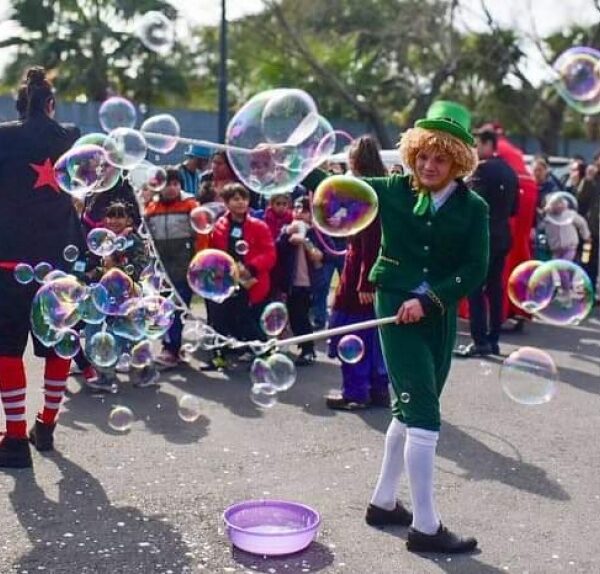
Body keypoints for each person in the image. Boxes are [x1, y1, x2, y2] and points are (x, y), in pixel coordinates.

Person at [306, 100, 488, 553]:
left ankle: (383, 501)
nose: (428, 165)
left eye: (440, 158)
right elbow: (333, 191)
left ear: (458, 161)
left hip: (437, 314)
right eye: (422, 155)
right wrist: (288, 164)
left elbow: (475, 267)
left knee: (407, 410)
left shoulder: (474, 207)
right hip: (394, 309)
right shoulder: (391, 188)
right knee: (425, 415)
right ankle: (426, 527)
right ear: (411, 154)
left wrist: (430, 298)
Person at [0, 67, 84, 467]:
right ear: (50, 105)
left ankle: (15, 440)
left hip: (8, 260)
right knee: (57, 346)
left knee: (6, 349)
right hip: (60, 260)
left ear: (18, 105)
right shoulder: (70, 136)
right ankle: (46, 424)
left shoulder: (3, 136)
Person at [325, 135, 390, 411]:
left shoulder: (364, 192)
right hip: (373, 273)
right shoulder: (383, 188)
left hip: (361, 276)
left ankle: (355, 392)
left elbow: (370, 241)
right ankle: (379, 391)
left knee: (353, 334)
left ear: (355, 161)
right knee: (374, 337)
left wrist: (366, 282)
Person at [455, 129, 519, 357]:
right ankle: (493, 340)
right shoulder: (511, 172)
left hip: (483, 238)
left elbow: (471, 204)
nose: (474, 150)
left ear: (488, 144)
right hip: (502, 237)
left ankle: (479, 340)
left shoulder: (482, 169)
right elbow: (514, 210)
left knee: (475, 289)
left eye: (476, 145)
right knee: (495, 289)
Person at [145, 168, 206, 368]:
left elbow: (201, 236)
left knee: (176, 309)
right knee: (163, 309)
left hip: (184, 266)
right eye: (167, 184)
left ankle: (170, 350)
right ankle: (171, 347)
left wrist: (199, 261)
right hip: (162, 269)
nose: (171, 188)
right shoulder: (151, 209)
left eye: (175, 184)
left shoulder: (190, 205)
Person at [208, 183, 276, 356]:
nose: (241, 203)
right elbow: (215, 252)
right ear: (226, 202)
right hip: (227, 280)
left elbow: (269, 254)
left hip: (251, 280)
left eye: (244, 198)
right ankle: (225, 354)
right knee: (226, 318)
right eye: (235, 199)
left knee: (248, 319)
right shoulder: (220, 226)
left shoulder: (259, 226)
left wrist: (251, 266)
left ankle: (265, 351)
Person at [276, 197, 325, 366]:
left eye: (304, 210)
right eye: (296, 209)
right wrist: (288, 233)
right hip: (291, 283)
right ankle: (299, 346)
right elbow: (278, 247)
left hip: (308, 284)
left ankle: (308, 349)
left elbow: (322, 256)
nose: (299, 213)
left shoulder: (316, 233)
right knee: (293, 316)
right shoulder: (288, 230)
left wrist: (307, 243)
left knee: (302, 317)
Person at [541, 194, 591, 261]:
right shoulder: (547, 218)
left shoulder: (570, 215)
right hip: (555, 250)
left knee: (564, 265)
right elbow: (540, 228)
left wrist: (586, 236)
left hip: (570, 247)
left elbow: (582, 223)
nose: (558, 206)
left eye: (560, 203)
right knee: (555, 267)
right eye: (555, 204)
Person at [578, 161, 600, 295]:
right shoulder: (591, 182)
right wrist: (587, 180)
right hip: (591, 232)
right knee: (587, 261)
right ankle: (588, 291)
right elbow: (580, 200)